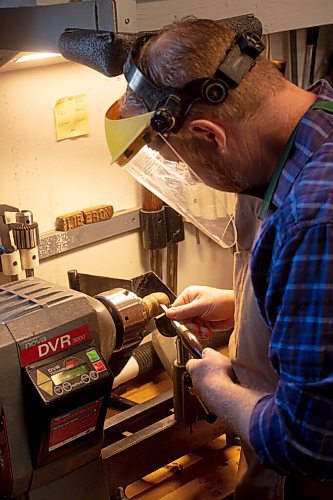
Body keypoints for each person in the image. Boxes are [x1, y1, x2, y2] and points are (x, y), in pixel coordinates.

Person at [104, 18, 333, 498]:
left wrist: (214, 387)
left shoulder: (315, 218)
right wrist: (240, 305)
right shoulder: (318, 122)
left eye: (181, 160)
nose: (188, 172)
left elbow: (307, 444)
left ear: (210, 135)